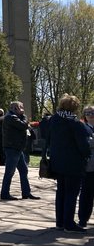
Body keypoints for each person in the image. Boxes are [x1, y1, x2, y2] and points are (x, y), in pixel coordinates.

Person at [46, 94, 91, 233]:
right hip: (73, 163)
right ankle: (69, 224)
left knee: (61, 192)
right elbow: (83, 145)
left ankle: (60, 222)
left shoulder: (54, 120)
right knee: (72, 193)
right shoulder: (75, 123)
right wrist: (86, 155)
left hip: (57, 162)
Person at [0, 101, 40, 201]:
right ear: (15, 108)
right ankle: (4, 193)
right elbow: (23, 125)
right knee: (9, 172)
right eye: (21, 107)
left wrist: (24, 116)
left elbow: (24, 123)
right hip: (12, 148)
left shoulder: (16, 117)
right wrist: (25, 117)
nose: (23, 109)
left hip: (17, 148)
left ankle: (26, 193)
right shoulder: (10, 117)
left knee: (24, 170)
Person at [78, 105, 94, 228]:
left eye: (92, 112)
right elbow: (83, 144)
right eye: (88, 113)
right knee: (86, 194)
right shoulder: (82, 127)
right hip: (88, 166)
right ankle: (83, 219)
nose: (90, 114)